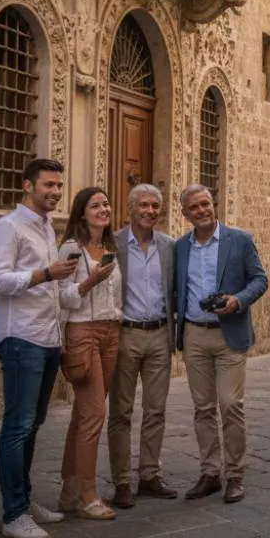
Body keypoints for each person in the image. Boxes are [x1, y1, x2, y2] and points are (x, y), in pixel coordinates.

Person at [0, 158, 79, 538]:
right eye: (48, 186)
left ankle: (24, 501)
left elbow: (53, 289)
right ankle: (13, 514)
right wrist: (45, 274)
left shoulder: (45, 227)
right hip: (20, 338)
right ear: (28, 186)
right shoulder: (7, 228)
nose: (55, 192)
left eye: (59, 186)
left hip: (47, 338)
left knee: (34, 425)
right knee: (18, 425)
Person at [175, 184, 268, 504]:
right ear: (184, 214)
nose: (201, 211)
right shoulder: (180, 248)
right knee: (202, 408)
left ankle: (236, 474)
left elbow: (260, 280)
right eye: (193, 208)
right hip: (194, 334)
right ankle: (210, 473)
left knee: (230, 404)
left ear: (214, 205)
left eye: (205, 204)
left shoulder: (239, 240)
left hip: (229, 333)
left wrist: (237, 300)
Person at [108, 184, 178, 510]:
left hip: (160, 335)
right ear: (131, 208)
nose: (150, 211)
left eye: (155, 206)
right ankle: (122, 482)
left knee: (156, 410)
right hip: (126, 336)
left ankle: (150, 475)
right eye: (144, 205)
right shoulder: (115, 243)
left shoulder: (169, 246)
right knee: (121, 413)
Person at [55, 187, 121, 521]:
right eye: (96, 205)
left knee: (84, 414)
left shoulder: (111, 247)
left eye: (107, 204)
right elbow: (61, 294)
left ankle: (69, 491)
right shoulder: (71, 248)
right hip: (83, 332)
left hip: (111, 332)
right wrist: (88, 282)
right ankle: (88, 494)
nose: (103, 209)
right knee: (95, 414)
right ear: (82, 212)